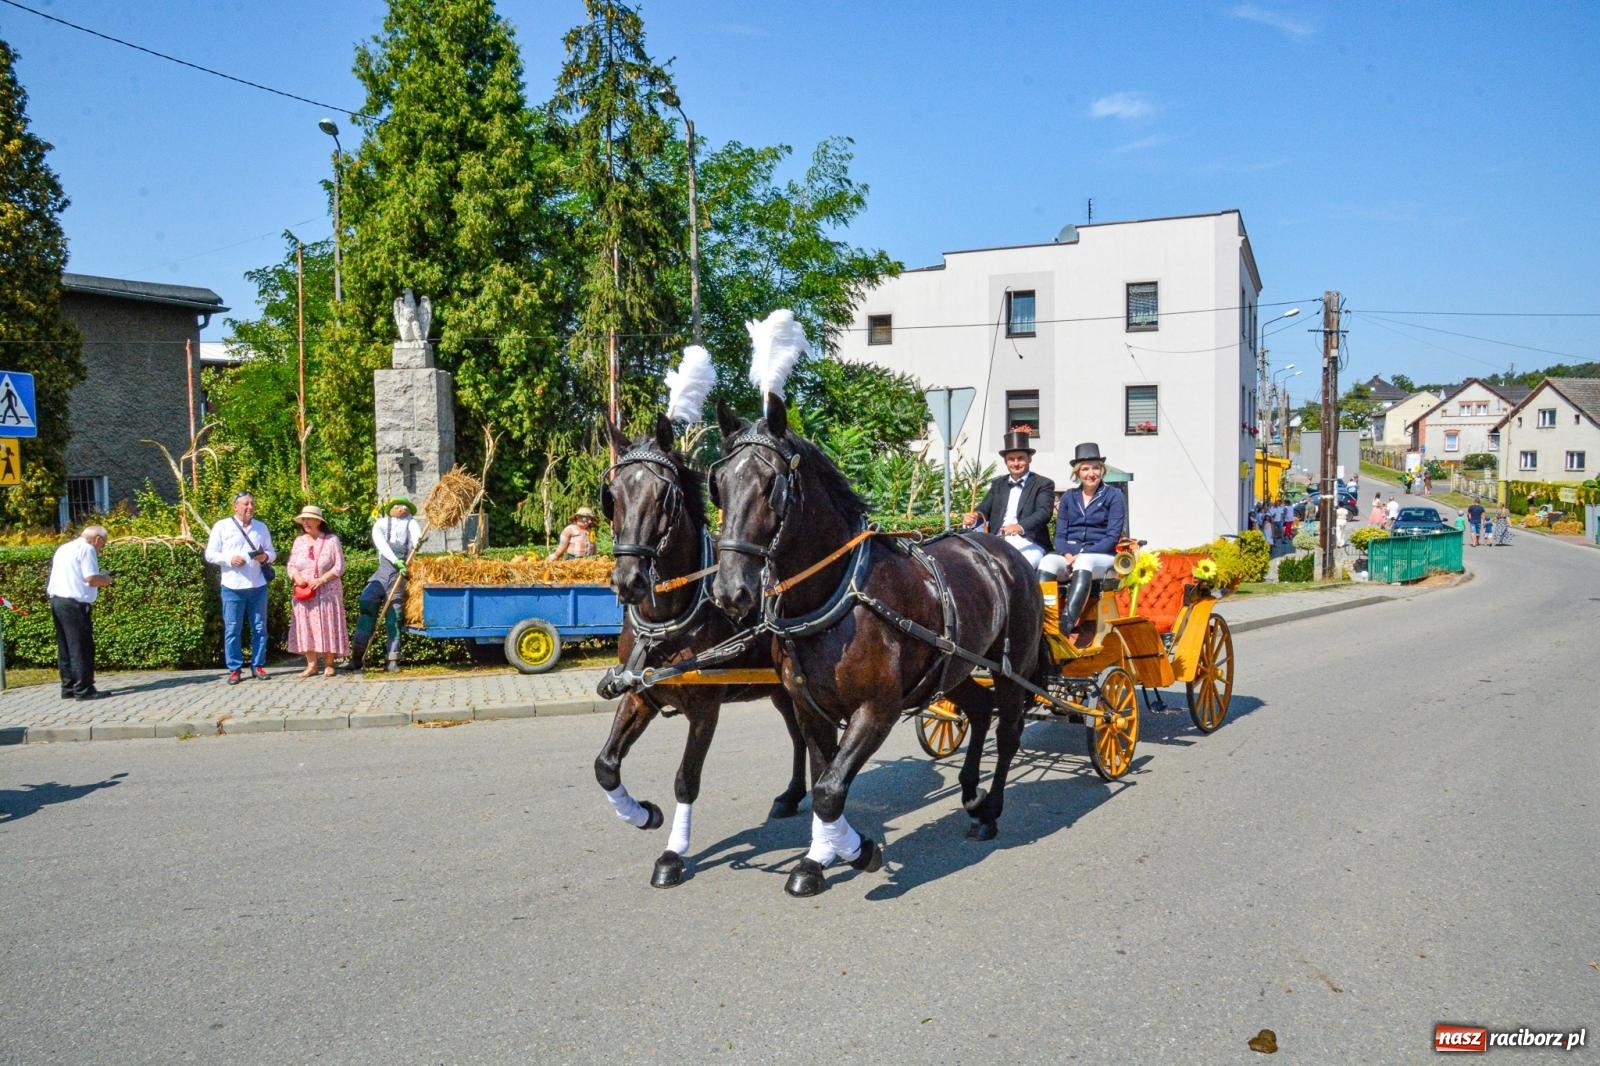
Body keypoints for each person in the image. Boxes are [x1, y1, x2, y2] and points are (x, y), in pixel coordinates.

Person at [1053, 442, 1128, 633]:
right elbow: (1059, 536)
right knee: (1047, 562)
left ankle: (1066, 625)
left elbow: (1112, 538)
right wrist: (1067, 555)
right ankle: (1044, 622)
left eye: (1095, 467)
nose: (1091, 473)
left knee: (1084, 561)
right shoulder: (1069, 497)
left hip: (1102, 557)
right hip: (1072, 556)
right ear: (1078, 472)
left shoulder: (1114, 495)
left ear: (1101, 470)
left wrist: (1082, 554)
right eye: (1085, 469)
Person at [963, 429, 1062, 573]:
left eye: (1020, 458)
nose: (1016, 463)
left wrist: (1020, 526)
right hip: (997, 541)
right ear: (1005, 461)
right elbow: (984, 510)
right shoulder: (998, 484)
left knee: (1016, 569)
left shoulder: (1043, 483)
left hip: (1030, 542)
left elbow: (1044, 513)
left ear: (1029, 458)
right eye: (1011, 459)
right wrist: (974, 518)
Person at [204, 492, 276, 684]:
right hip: (232, 586)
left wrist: (265, 557)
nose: (250, 507)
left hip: (257, 585)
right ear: (235, 506)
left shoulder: (261, 527)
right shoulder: (222, 526)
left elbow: (272, 552)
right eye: (245, 504)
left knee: (260, 628)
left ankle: (258, 665)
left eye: (252, 503)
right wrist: (229, 560)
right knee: (233, 628)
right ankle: (234, 669)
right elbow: (210, 554)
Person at [349, 497, 423, 673]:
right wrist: (395, 560)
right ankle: (357, 657)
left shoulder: (411, 523)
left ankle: (392, 660)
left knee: (394, 617)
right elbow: (381, 544)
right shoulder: (381, 524)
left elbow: (416, 537)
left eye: (405, 507)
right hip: (382, 573)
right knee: (367, 603)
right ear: (392, 508)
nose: (401, 509)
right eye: (398, 506)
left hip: (399, 576)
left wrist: (416, 545)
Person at [47, 525, 112, 700]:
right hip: (75, 603)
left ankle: (68, 687)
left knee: (65, 647)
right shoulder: (87, 549)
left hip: (57, 600)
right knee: (81, 647)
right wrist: (106, 579)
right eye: (103, 544)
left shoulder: (64, 548)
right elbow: (91, 578)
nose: (101, 549)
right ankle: (84, 689)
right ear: (98, 539)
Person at [286, 505, 348, 678]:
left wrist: (322, 579)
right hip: (304, 592)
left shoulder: (331, 540)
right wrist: (296, 576)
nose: (305, 522)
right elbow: (291, 565)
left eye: (309, 518)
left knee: (328, 625)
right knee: (306, 626)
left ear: (318, 521)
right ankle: (311, 665)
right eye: (303, 519)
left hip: (327, 591)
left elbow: (340, 566)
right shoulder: (299, 542)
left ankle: (329, 664)